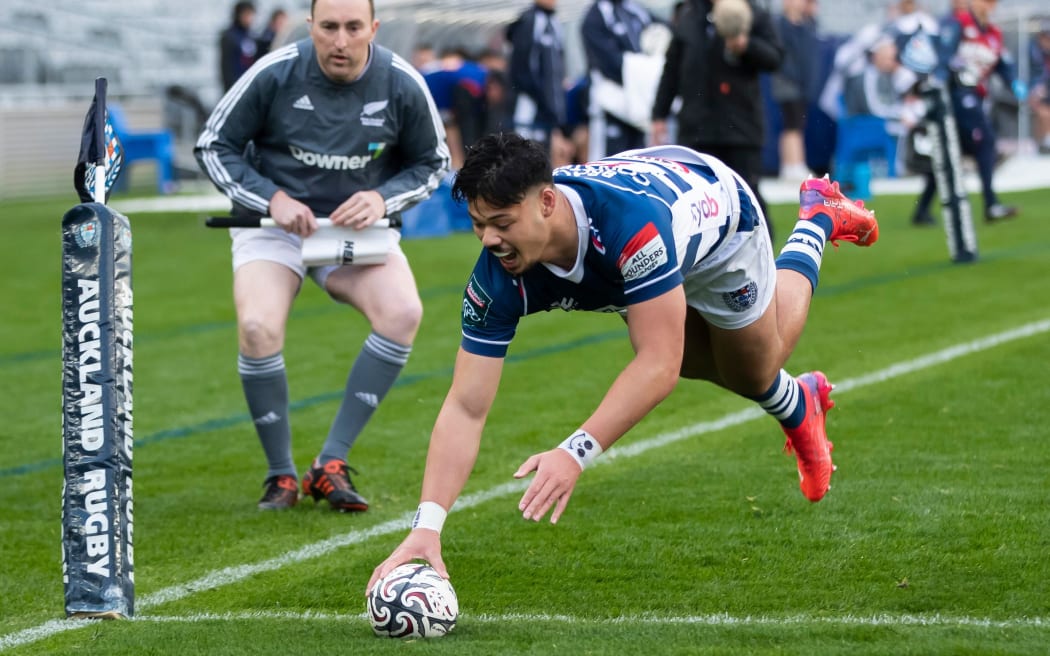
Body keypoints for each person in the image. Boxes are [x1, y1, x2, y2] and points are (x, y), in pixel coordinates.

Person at [367, 132, 878, 587]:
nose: (490, 240)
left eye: (501, 223)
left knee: (753, 367)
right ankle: (799, 402)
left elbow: (655, 365)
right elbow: (465, 405)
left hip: (717, 215)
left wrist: (574, 452)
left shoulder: (631, 228)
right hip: (651, 195)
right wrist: (426, 528)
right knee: (691, 360)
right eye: (479, 225)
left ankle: (816, 217)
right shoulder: (496, 276)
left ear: (546, 202)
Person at [194, 0, 451, 511]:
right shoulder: (275, 71)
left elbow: (433, 162)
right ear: (309, 26)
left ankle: (329, 463)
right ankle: (281, 475)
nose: (340, 40)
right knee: (258, 329)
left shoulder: (401, 81)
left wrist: (382, 198)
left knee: (403, 313)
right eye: (328, 27)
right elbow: (212, 146)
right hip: (274, 227)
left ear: (373, 29)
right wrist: (273, 198)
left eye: (353, 28)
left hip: (352, 229)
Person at [651, 0, 782, 240]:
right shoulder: (689, 14)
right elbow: (672, 68)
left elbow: (775, 58)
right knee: (695, 204)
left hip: (740, 130)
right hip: (696, 130)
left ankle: (764, 263)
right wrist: (659, 114)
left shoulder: (752, 12)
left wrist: (747, 46)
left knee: (748, 200)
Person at [916, 0, 1026, 223]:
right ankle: (991, 203)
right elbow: (944, 55)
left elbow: (1002, 64)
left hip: (975, 96)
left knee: (949, 152)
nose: (988, 6)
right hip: (956, 95)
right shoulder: (959, 24)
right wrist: (937, 81)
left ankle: (921, 210)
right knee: (985, 142)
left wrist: (1013, 82)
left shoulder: (993, 33)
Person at [581, 0, 656, 158]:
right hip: (609, 108)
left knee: (639, 163)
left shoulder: (635, 10)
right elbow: (611, 64)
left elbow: (661, 29)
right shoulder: (595, 17)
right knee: (607, 164)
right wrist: (644, 72)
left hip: (637, 106)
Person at [507, 0, 572, 165]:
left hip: (551, 109)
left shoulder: (555, 23)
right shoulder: (530, 20)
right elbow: (522, 68)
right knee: (525, 159)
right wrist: (543, 100)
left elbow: (559, 67)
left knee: (549, 160)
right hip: (531, 105)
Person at [771, 0, 821, 181]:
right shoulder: (780, 24)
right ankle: (792, 164)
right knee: (792, 124)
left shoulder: (807, 24)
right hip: (787, 82)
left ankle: (794, 163)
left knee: (797, 124)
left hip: (800, 84)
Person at [220, 1, 259, 91]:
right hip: (235, 86)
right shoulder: (229, 37)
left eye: (251, 15)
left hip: (250, 85)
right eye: (246, 15)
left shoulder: (251, 35)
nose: (250, 18)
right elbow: (226, 68)